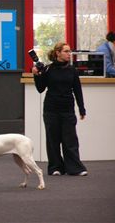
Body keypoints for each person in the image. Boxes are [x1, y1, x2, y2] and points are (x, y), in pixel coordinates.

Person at [32, 42, 88, 176]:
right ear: (58, 53)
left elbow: (77, 90)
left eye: (69, 51)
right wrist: (36, 75)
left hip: (67, 109)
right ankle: (55, 167)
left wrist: (82, 109)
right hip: (51, 109)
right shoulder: (48, 69)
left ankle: (75, 168)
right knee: (53, 139)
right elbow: (40, 88)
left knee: (70, 140)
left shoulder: (72, 70)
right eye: (66, 51)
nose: (69, 54)